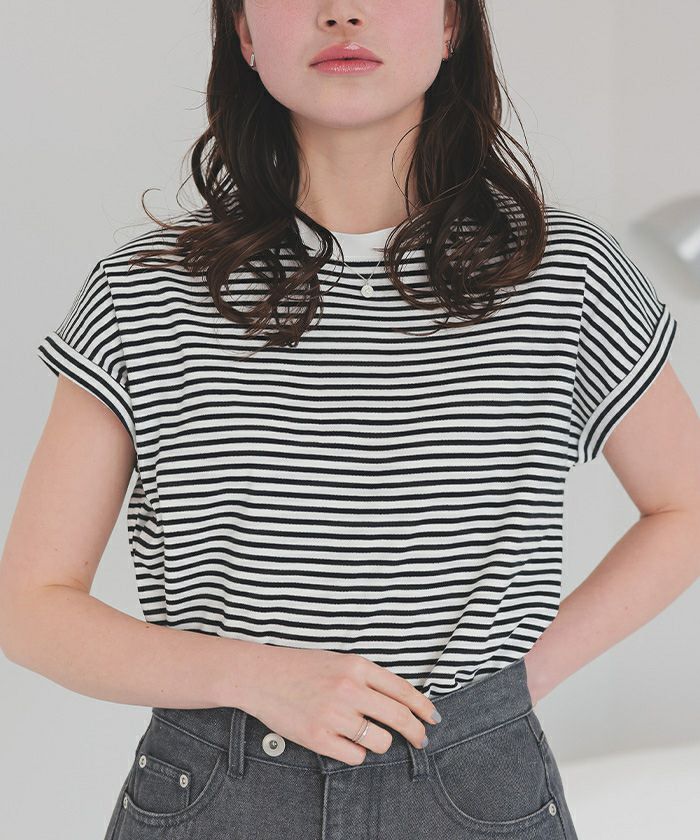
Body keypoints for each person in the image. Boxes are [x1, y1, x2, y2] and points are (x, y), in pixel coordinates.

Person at [1, 2, 699, 839]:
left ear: (451, 24)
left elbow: (685, 506)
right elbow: (31, 606)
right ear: (245, 33)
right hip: (219, 791)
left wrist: (509, 689)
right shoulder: (146, 290)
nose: (343, 12)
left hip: (475, 787)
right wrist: (256, 677)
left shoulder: (561, 271)